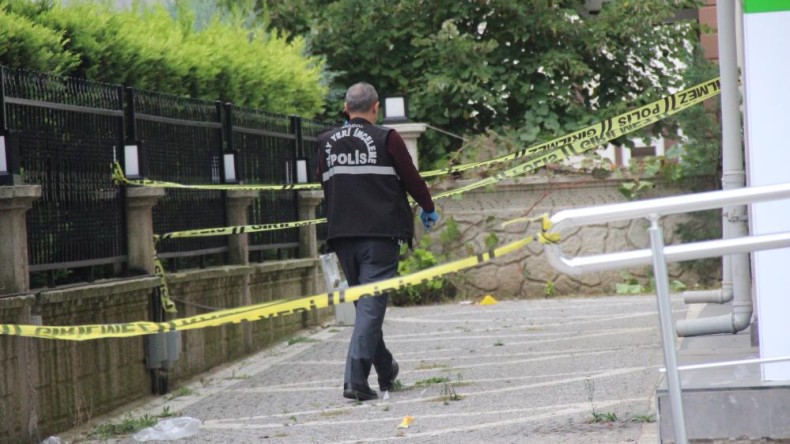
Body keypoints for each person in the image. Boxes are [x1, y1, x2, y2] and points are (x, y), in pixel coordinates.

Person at [317, 82, 439, 401]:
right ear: (376, 107)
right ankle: (355, 381)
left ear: (346, 108)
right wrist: (428, 207)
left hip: (342, 235)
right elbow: (412, 178)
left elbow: (325, 184)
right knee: (370, 308)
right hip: (381, 234)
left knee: (366, 307)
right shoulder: (388, 138)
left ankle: (385, 369)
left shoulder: (325, 142)